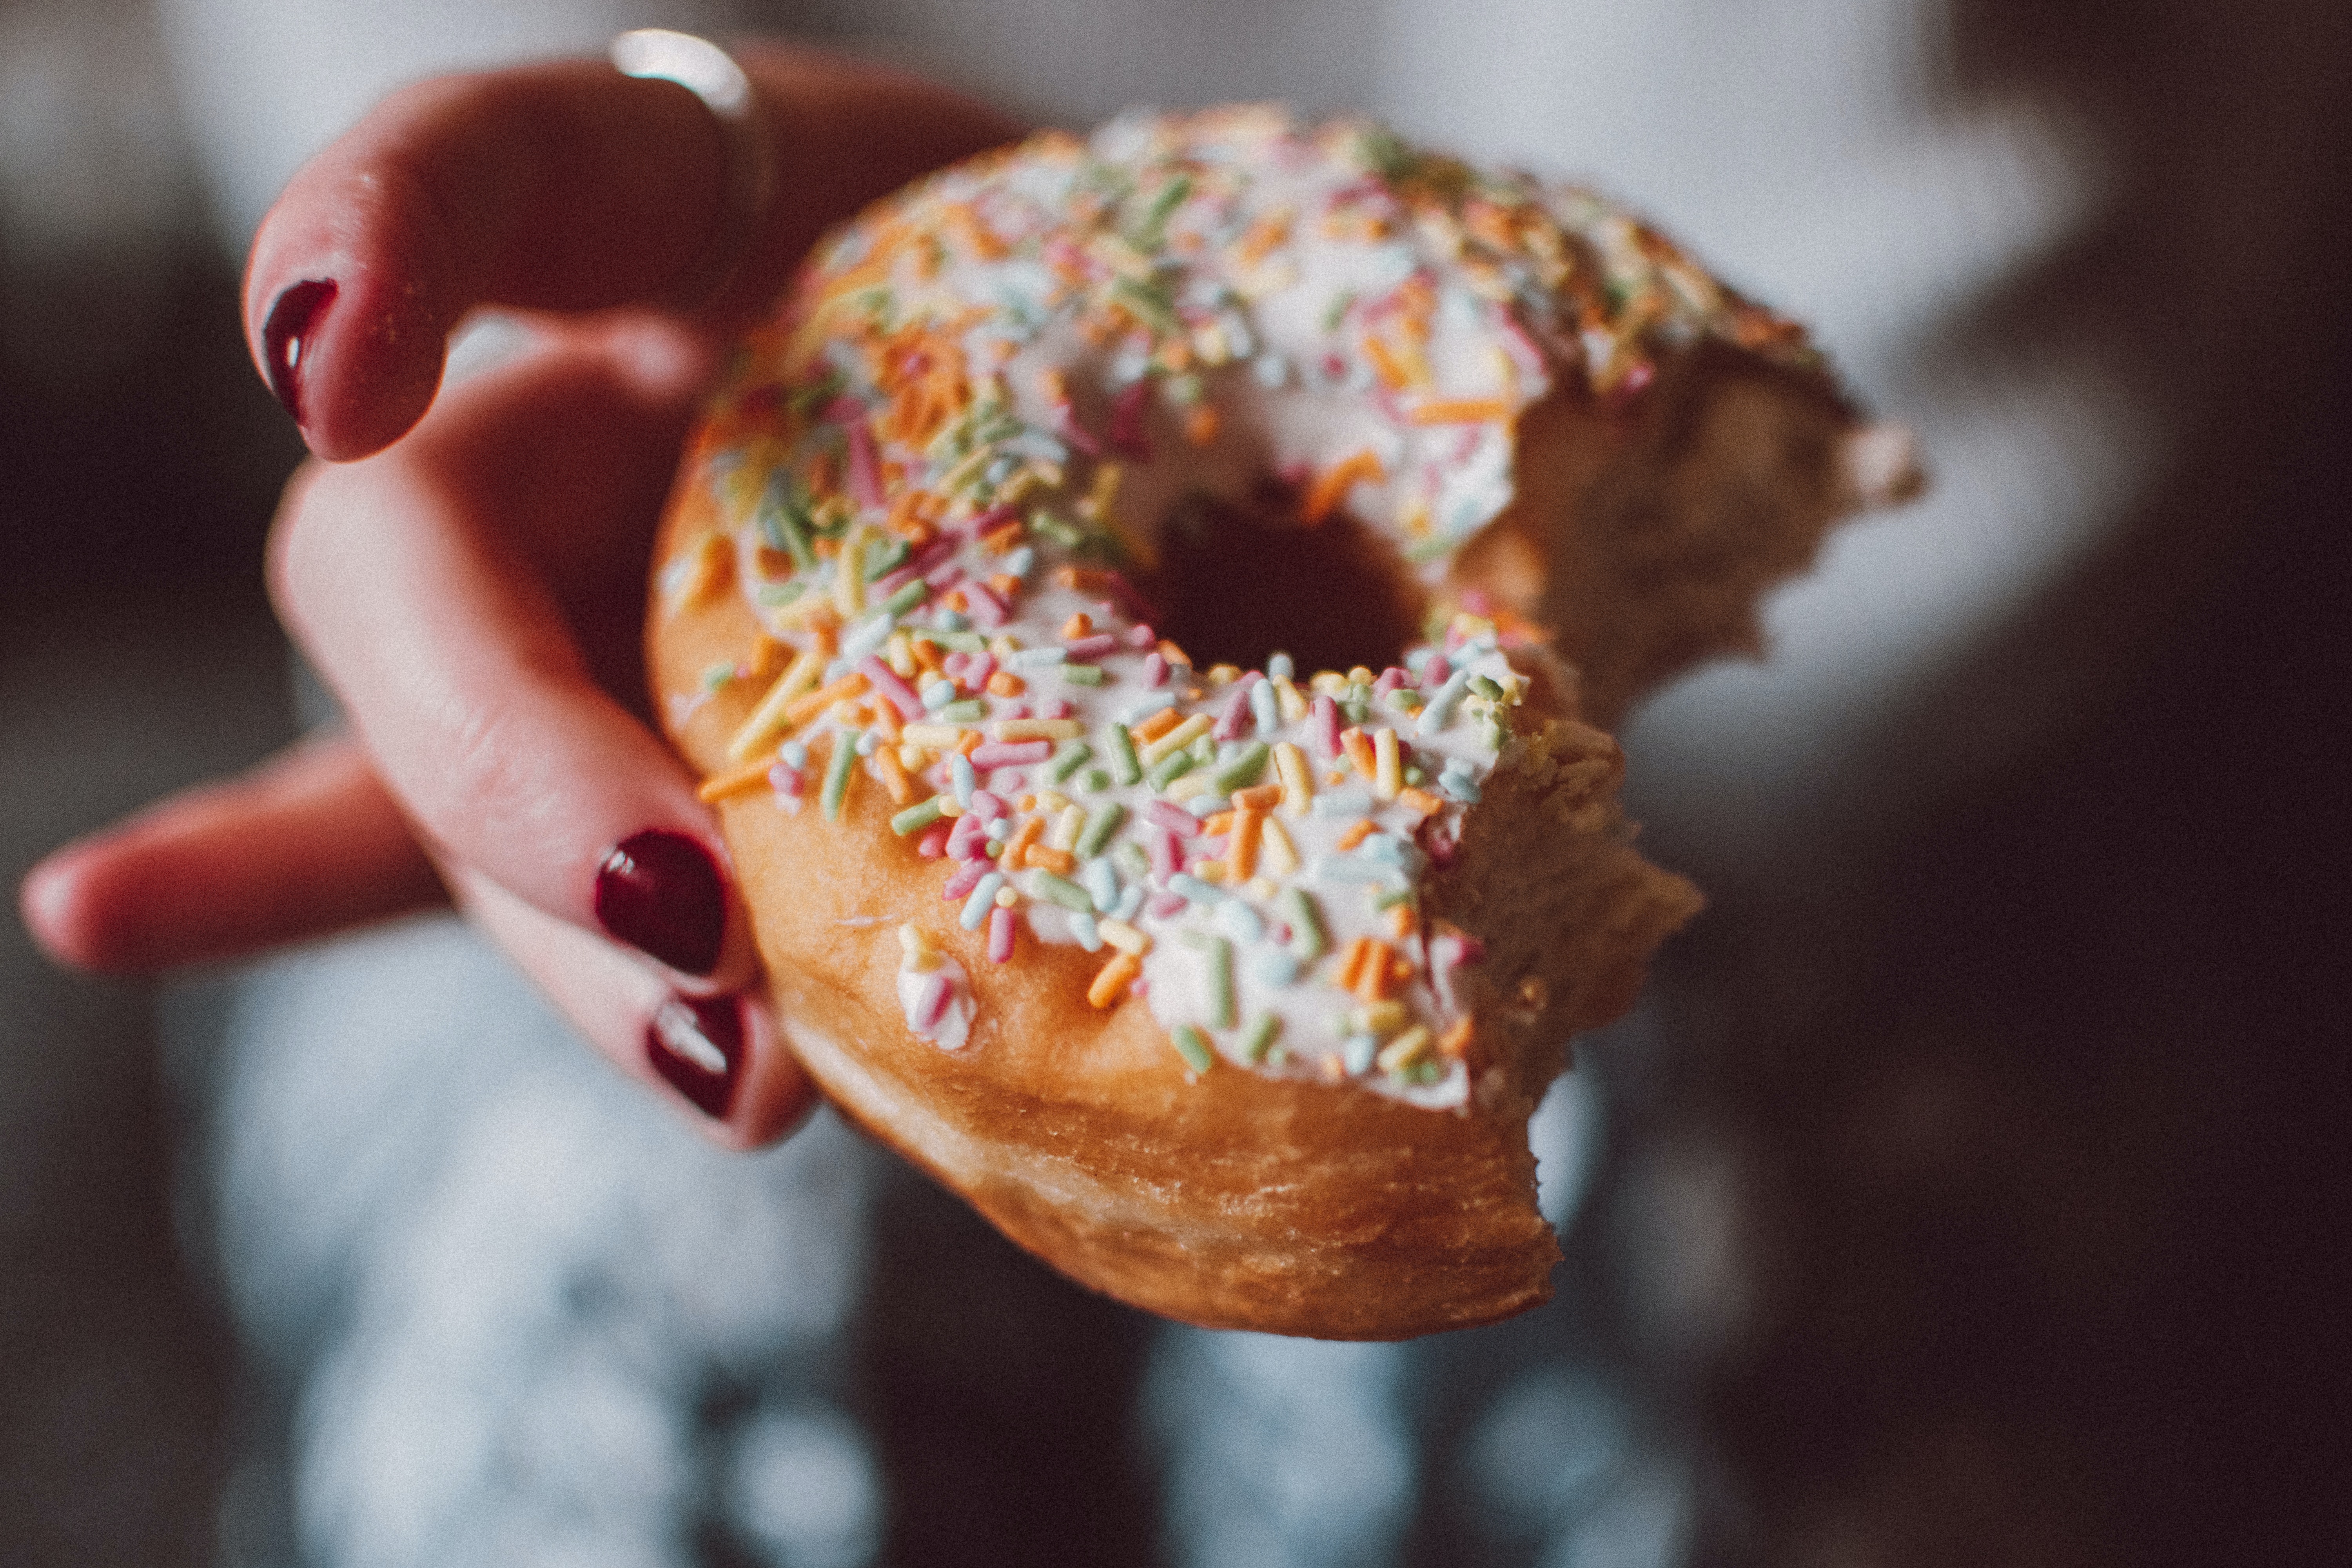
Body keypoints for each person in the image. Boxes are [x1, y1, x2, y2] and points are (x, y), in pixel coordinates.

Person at [38, 2, 2322, 1563]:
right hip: (743, 585)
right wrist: (654, 289)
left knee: (1716, 1313)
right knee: (645, 1271)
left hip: (1951, 718)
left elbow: (1984, 359)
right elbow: (426, 133)